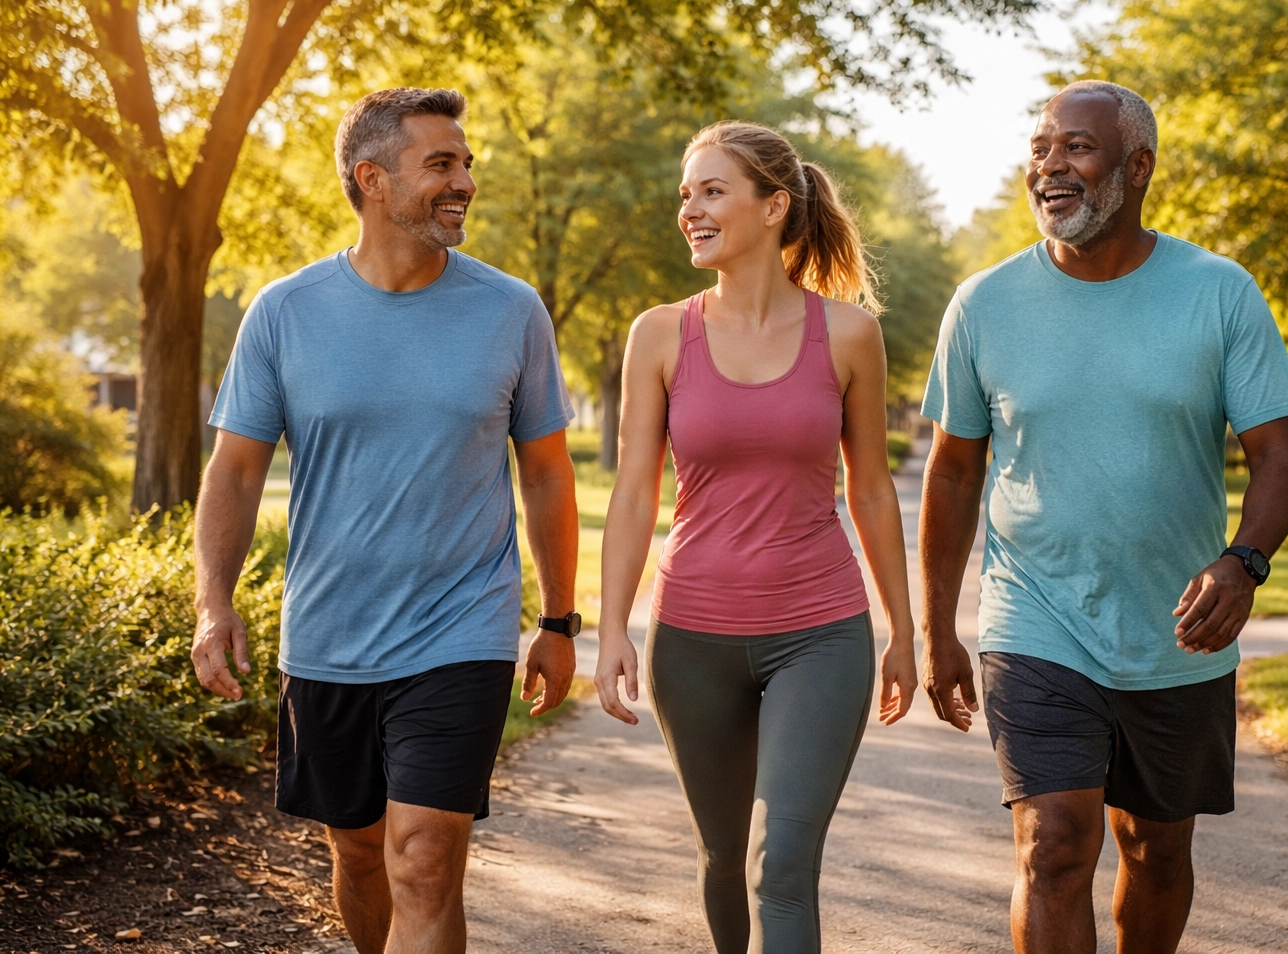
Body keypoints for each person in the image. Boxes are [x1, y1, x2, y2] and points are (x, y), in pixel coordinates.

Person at [919, 80, 1288, 954]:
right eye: (1040, 150)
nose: (1050, 168)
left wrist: (1243, 561)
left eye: (1076, 149)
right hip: (1035, 616)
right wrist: (937, 624)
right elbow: (951, 474)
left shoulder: (1219, 293)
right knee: (1054, 845)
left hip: (1178, 626)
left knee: (1155, 845)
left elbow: (1280, 454)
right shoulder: (984, 303)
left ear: (1138, 168)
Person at [191, 87, 581, 954]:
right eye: (440, 163)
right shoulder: (285, 312)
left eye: (466, 163)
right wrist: (212, 601)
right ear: (372, 178)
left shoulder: (511, 310)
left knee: (425, 859)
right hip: (330, 633)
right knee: (361, 856)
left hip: (461, 631)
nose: (465, 182)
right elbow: (237, 470)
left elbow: (548, 474)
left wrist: (557, 620)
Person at [594, 121, 919, 954]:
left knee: (783, 866)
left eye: (711, 191)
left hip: (820, 631)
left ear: (775, 206)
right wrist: (610, 630)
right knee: (721, 858)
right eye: (685, 194)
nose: (689, 210)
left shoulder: (847, 335)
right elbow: (634, 494)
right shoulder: (660, 334)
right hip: (692, 637)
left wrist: (903, 631)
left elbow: (874, 491)